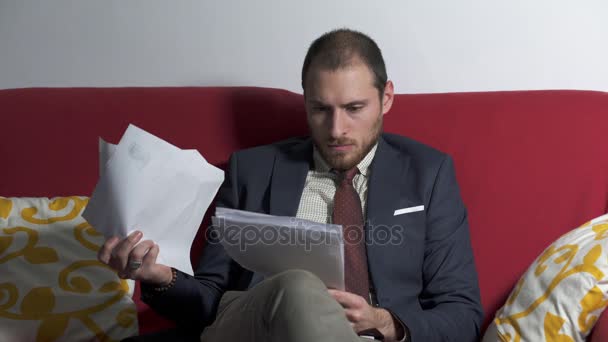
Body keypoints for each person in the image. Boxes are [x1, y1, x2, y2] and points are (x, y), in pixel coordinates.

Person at [98, 28, 483, 341]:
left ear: (386, 99)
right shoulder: (253, 168)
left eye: (354, 109)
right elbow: (211, 301)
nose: (336, 130)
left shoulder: (428, 173)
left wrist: (385, 322)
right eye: (320, 110)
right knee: (299, 286)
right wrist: (159, 277)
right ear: (305, 103)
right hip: (255, 329)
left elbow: (462, 314)